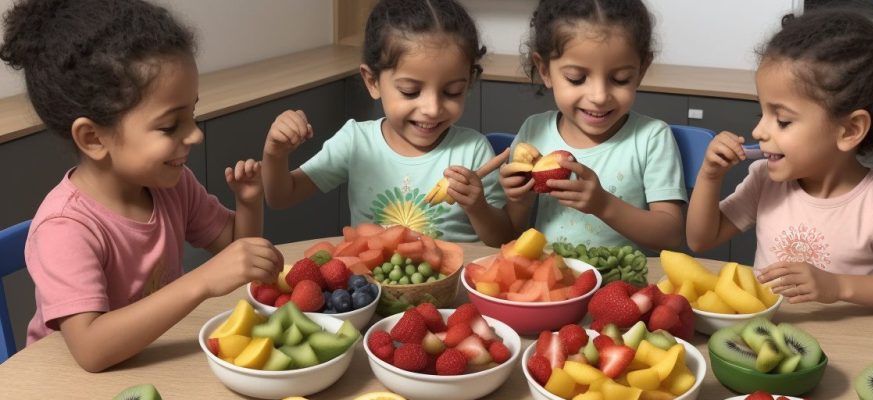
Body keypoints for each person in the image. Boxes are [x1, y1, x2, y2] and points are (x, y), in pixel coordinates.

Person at [0, 0, 283, 372]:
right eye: (170, 126)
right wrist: (202, 280)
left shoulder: (172, 184)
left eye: (192, 114)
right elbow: (92, 349)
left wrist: (248, 205)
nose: (196, 134)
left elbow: (237, 251)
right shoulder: (65, 228)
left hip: (152, 361)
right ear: (93, 138)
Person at [686, 10, 873, 311]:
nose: (758, 131)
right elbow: (700, 240)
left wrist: (838, 286)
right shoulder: (765, 180)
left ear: (849, 130)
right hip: (772, 341)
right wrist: (710, 177)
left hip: (852, 349)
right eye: (760, 113)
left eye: (783, 121)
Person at [262, 0, 512, 246]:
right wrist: (275, 154)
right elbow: (282, 196)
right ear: (372, 82)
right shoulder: (356, 143)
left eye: (453, 92)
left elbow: (503, 239)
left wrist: (478, 207)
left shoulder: (473, 150)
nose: (432, 109)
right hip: (372, 285)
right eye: (410, 91)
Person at [499, 0, 687, 250]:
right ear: (544, 70)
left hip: (622, 284)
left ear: (641, 70)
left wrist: (604, 205)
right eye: (576, 79)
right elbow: (509, 235)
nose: (599, 97)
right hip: (553, 281)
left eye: (620, 79)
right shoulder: (534, 131)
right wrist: (519, 202)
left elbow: (671, 235)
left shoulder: (651, 138)